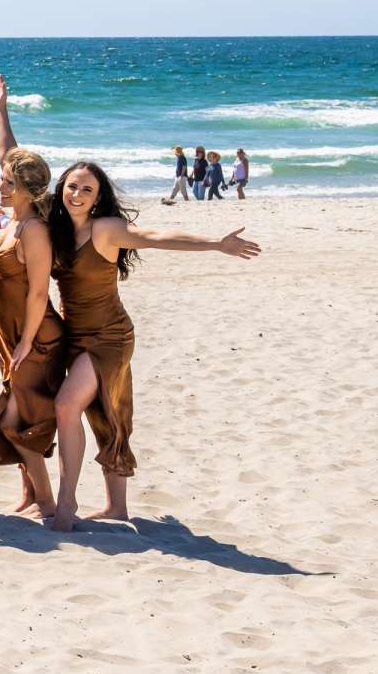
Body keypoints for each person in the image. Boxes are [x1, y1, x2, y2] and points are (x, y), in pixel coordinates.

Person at [46, 161, 261, 530]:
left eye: (87, 190)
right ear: (61, 187)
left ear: (98, 199)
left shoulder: (106, 229)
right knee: (105, 414)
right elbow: (15, 162)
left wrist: (216, 244)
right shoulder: (56, 230)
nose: (77, 195)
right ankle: (117, 508)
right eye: (72, 186)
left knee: (67, 406)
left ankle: (66, 504)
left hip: (110, 336)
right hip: (74, 335)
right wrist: (1, 112)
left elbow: (157, 236)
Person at [0, 73, 67, 515]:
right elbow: (8, 154)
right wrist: (0, 110)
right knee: (19, 408)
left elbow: (38, 293)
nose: (0, 183)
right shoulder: (7, 218)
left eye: (7, 181)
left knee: (22, 418)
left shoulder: (33, 229)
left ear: (26, 188)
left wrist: (26, 343)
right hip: (8, 332)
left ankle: (48, 502)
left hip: (34, 335)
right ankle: (30, 494)